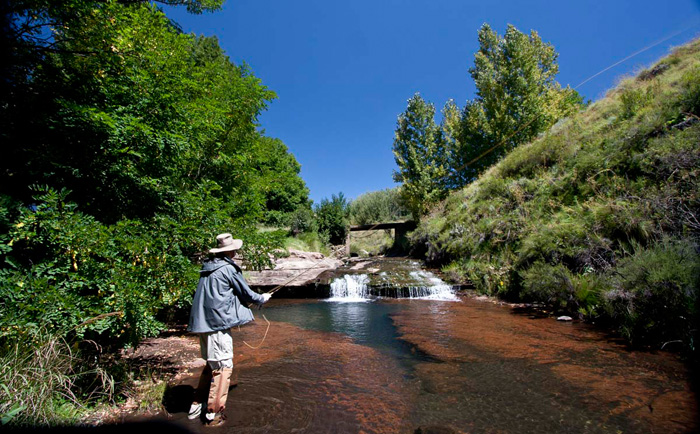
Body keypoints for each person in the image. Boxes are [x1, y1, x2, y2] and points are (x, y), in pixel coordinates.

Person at [187, 233, 271, 426]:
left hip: (204, 324)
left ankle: (195, 406)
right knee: (224, 368)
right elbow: (246, 293)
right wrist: (262, 298)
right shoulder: (228, 269)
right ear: (228, 251)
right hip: (217, 325)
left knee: (211, 364)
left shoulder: (207, 267)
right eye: (234, 249)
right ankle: (213, 414)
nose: (236, 251)